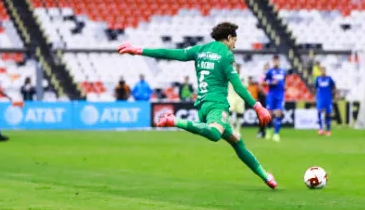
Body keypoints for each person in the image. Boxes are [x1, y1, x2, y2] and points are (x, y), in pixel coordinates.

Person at [117, 22, 277, 189]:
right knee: (215, 134)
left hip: (202, 107)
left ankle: (265, 176)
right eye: (234, 40)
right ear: (229, 38)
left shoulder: (200, 50)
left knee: (236, 140)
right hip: (217, 106)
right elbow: (238, 86)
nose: (235, 46)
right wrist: (257, 106)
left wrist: (138, 50)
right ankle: (175, 121)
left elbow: (169, 53)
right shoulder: (226, 55)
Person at [263, 55, 287, 142]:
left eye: (278, 61)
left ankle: (276, 134)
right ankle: (269, 131)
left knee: (278, 113)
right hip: (271, 95)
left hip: (280, 95)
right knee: (269, 114)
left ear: (279, 62)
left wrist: (285, 86)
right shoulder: (270, 72)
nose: (276, 62)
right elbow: (264, 82)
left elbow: (285, 81)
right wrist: (271, 82)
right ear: (273, 62)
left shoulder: (283, 72)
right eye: (275, 61)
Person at [314, 66, 336, 136]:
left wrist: (334, 95)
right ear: (320, 71)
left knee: (328, 114)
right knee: (319, 111)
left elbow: (334, 86)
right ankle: (321, 129)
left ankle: (328, 130)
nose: (323, 72)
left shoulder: (329, 79)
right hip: (320, 98)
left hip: (328, 99)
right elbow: (315, 87)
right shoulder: (318, 79)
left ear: (325, 71)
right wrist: (315, 96)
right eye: (322, 70)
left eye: (324, 70)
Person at [227, 64, 248, 133]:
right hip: (231, 96)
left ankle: (237, 130)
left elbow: (246, 87)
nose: (238, 69)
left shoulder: (243, 77)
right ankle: (232, 128)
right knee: (229, 112)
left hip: (240, 98)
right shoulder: (230, 75)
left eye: (239, 67)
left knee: (240, 114)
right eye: (237, 67)